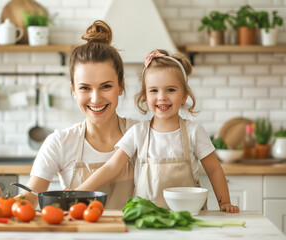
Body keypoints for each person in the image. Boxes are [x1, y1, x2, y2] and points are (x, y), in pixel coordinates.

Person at [0, 20, 138, 209]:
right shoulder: (60, 142)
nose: (95, 99)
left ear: (121, 86)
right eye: (85, 88)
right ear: (73, 91)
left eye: (106, 86)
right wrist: (0, 202)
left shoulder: (142, 134)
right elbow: (29, 199)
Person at [75, 49, 240, 213]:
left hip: (189, 218)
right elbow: (111, 167)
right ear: (145, 97)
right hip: (147, 221)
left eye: (171, 90)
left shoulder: (194, 131)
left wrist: (224, 202)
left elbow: (214, 169)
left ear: (184, 96)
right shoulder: (137, 132)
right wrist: (78, 192)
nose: (162, 97)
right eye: (154, 90)